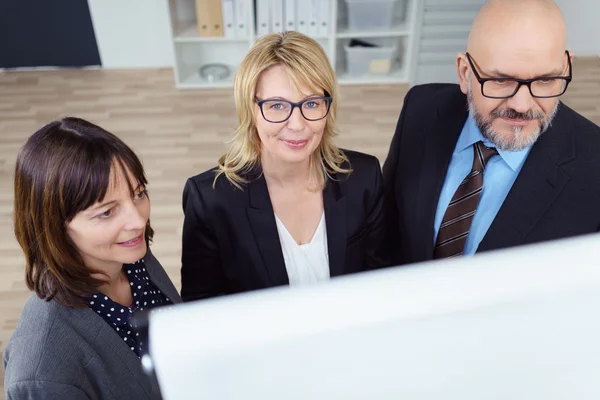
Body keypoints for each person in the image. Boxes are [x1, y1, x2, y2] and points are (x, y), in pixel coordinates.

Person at [383, 0, 600, 266]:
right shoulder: (421, 108)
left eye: (545, 80)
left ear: (565, 69)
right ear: (465, 73)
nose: (522, 106)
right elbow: (386, 227)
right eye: (500, 80)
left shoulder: (594, 169)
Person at [180, 31, 388, 301]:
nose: (298, 125)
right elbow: (202, 311)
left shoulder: (364, 177)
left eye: (312, 103)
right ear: (250, 110)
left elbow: (381, 283)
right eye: (277, 105)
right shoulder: (209, 200)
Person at [3, 117, 182, 399]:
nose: (137, 220)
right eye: (107, 212)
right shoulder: (42, 370)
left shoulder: (129, 255)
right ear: (54, 225)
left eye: (138, 194)